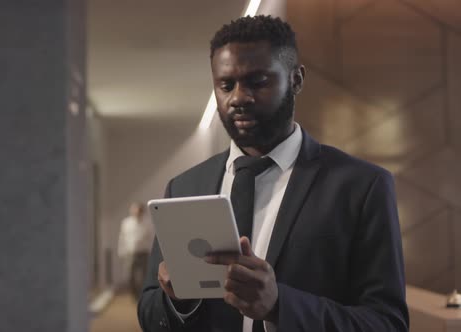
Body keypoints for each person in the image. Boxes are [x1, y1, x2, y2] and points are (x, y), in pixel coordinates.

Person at [137, 15, 409, 332]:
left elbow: (388, 323)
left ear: (296, 80)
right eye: (226, 85)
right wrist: (177, 300)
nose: (238, 97)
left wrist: (279, 306)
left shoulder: (361, 186)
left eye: (258, 82)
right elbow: (149, 312)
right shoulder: (184, 187)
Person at [118, 202, 154, 300]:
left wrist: (152, 253)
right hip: (130, 253)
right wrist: (121, 251)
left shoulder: (147, 223)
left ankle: (142, 295)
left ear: (142, 211)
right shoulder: (126, 223)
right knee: (130, 276)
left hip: (143, 253)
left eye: (137, 210)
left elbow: (151, 239)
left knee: (144, 276)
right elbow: (122, 238)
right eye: (133, 209)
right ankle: (134, 295)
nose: (135, 212)